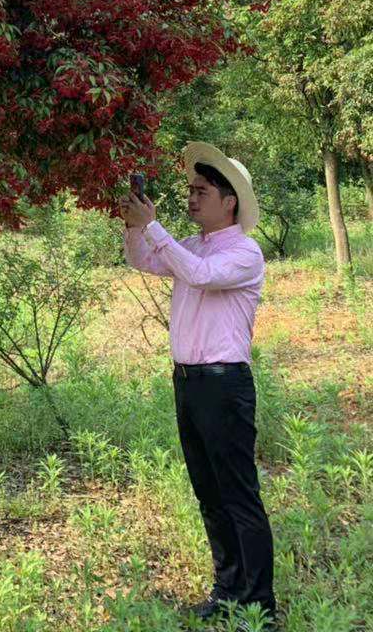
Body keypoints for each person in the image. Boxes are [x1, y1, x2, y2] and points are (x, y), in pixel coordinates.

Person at [118, 142, 277, 628]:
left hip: (224, 384)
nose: (191, 199)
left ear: (230, 201)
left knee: (238, 493)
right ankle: (228, 589)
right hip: (188, 382)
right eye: (189, 190)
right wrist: (133, 225)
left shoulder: (244, 253)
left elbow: (203, 277)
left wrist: (154, 228)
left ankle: (259, 604)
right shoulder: (192, 246)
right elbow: (143, 261)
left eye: (202, 191)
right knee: (208, 492)